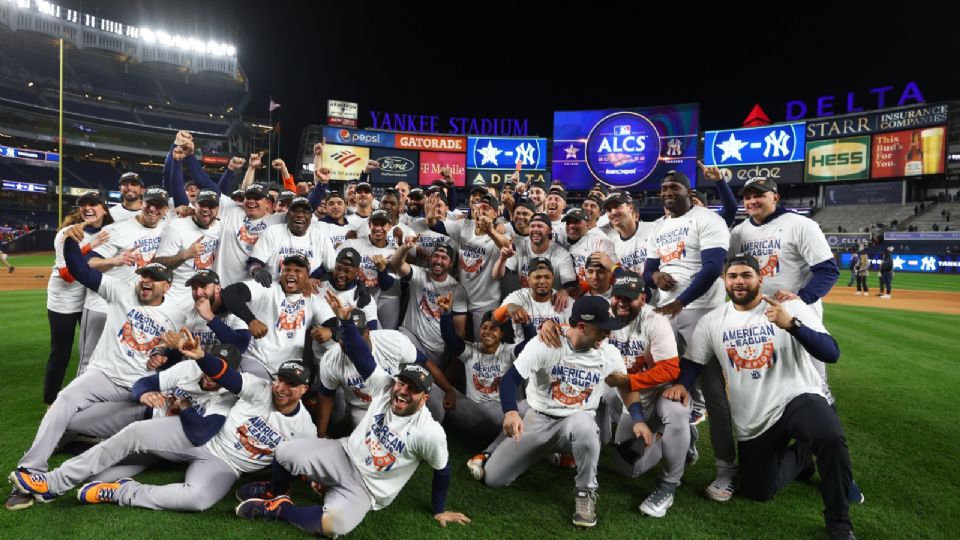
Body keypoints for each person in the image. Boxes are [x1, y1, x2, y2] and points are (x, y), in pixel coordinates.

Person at [233, 291, 470, 537]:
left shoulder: (430, 432)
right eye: (402, 383)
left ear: (424, 399)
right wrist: (345, 322)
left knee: (334, 526)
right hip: (343, 454)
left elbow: (442, 469)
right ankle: (277, 491)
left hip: (367, 489)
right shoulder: (385, 387)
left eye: (413, 389)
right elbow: (361, 355)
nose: (403, 391)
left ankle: (280, 509)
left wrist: (439, 509)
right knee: (284, 452)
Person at [664, 254, 860, 540]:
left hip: (797, 396)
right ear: (724, 281)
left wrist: (792, 324)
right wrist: (682, 385)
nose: (739, 281)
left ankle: (839, 523)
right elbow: (694, 362)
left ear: (760, 279)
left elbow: (831, 353)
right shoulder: (712, 322)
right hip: (754, 416)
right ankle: (803, 456)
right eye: (733, 276)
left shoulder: (789, 306)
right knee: (759, 490)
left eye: (746, 275)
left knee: (829, 435)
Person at [5, 235, 185, 510]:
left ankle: (85, 459)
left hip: (139, 392)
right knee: (63, 401)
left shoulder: (177, 314)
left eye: (154, 278)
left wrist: (165, 354)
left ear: (167, 286)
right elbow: (80, 270)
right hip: (102, 375)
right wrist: (69, 241)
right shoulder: (121, 290)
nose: (145, 281)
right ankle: (30, 470)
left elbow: (182, 354)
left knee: (88, 427)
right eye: (143, 275)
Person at [67, 336, 314, 512]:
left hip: (220, 461)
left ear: (304, 389)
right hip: (185, 435)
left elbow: (303, 462)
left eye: (291, 384)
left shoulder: (305, 429)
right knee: (123, 436)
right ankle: (64, 466)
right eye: (280, 380)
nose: (281, 388)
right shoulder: (257, 389)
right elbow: (225, 375)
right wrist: (202, 358)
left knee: (197, 500)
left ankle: (121, 491)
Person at [475, 296, 637, 528]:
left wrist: (638, 418)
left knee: (585, 427)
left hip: (575, 421)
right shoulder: (546, 344)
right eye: (602, 329)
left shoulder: (608, 353)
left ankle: (585, 492)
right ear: (581, 326)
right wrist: (511, 412)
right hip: (538, 419)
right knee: (493, 478)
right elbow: (510, 380)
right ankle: (549, 453)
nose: (607, 334)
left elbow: (624, 384)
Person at [9, 344, 241, 502]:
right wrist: (144, 395)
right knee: (77, 430)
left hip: (165, 446)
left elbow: (201, 433)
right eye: (212, 366)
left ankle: (55, 483)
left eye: (222, 371)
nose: (213, 375)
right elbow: (143, 383)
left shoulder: (227, 396)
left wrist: (185, 408)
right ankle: (57, 478)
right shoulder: (189, 368)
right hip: (144, 417)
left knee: (99, 470)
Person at [643, 170, 734, 502]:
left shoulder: (706, 218)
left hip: (701, 312)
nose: (668, 192)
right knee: (668, 384)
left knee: (712, 392)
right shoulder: (659, 227)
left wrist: (681, 301)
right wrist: (655, 275)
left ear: (688, 190)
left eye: (674, 187)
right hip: (667, 310)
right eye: (664, 187)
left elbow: (712, 268)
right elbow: (647, 271)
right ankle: (686, 439)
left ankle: (726, 469)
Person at [729, 175, 839, 398]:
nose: (752, 201)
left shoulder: (801, 225)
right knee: (767, 376)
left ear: (775, 197)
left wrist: (801, 297)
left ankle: (823, 414)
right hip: (757, 314)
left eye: (759, 195)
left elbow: (827, 269)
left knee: (814, 377)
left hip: (797, 311)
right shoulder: (739, 232)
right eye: (748, 197)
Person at [80, 187, 171, 374]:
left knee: (124, 359)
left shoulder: (166, 225)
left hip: (130, 307)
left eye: (159, 206)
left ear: (166, 210)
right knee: (90, 359)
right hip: (102, 303)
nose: (153, 209)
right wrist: (115, 260)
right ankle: (75, 401)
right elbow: (88, 263)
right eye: (149, 204)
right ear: (142, 204)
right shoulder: (117, 230)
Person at [43, 192, 112, 405]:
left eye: (93, 203)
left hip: (88, 300)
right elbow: (67, 274)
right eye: (83, 205)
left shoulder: (109, 232)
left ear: (104, 208)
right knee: (61, 352)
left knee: (95, 352)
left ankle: (89, 397)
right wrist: (88, 247)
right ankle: (51, 401)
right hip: (63, 300)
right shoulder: (67, 233)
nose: (87, 208)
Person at [220, 254, 336, 379]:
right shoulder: (267, 287)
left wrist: (330, 330)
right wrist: (251, 320)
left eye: (297, 271)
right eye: (287, 270)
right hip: (257, 361)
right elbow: (230, 293)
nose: (291, 274)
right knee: (260, 394)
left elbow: (335, 324)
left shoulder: (313, 299)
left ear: (308, 276)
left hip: (288, 369)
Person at [315, 308, 418, 436]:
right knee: (371, 444)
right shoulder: (331, 359)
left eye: (357, 337)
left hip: (394, 400)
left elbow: (420, 364)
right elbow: (326, 396)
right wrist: (321, 434)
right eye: (345, 338)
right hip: (362, 409)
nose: (352, 343)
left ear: (368, 332)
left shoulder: (393, 341)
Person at [392, 235, 468, 363]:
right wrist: (405, 248)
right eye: (436, 256)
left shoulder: (457, 290)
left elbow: (460, 332)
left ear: (450, 264)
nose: (438, 261)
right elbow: (397, 264)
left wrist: (453, 363)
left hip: (435, 349)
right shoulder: (419, 274)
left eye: (444, 258)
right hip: (410, 337)